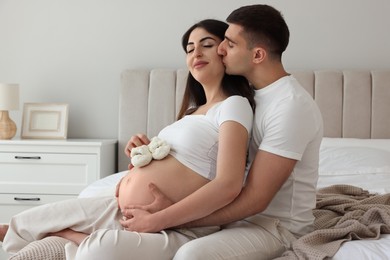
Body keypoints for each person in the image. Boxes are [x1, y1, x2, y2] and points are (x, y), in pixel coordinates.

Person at [0, 19, 255, 259]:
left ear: (225, 51)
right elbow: (179, 167)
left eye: (207, 45)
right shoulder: (189, 114)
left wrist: (160, 218)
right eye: (189, 49)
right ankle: (57, 234)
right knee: (30, 220)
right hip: (122, 208)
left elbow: (228, 185)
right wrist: (141, 156)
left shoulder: (233, 105)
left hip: (177, 227)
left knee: (100, 250)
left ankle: (68, 236)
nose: (196, 53)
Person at [120, 4, 324, 260]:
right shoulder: (247, 98)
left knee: (191, 255)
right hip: (230, 216)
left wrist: (167, 218)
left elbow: (256, 200)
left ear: (258, 55)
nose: (220, 49)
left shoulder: (290, 106)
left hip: (273, 227)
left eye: (230, 43)